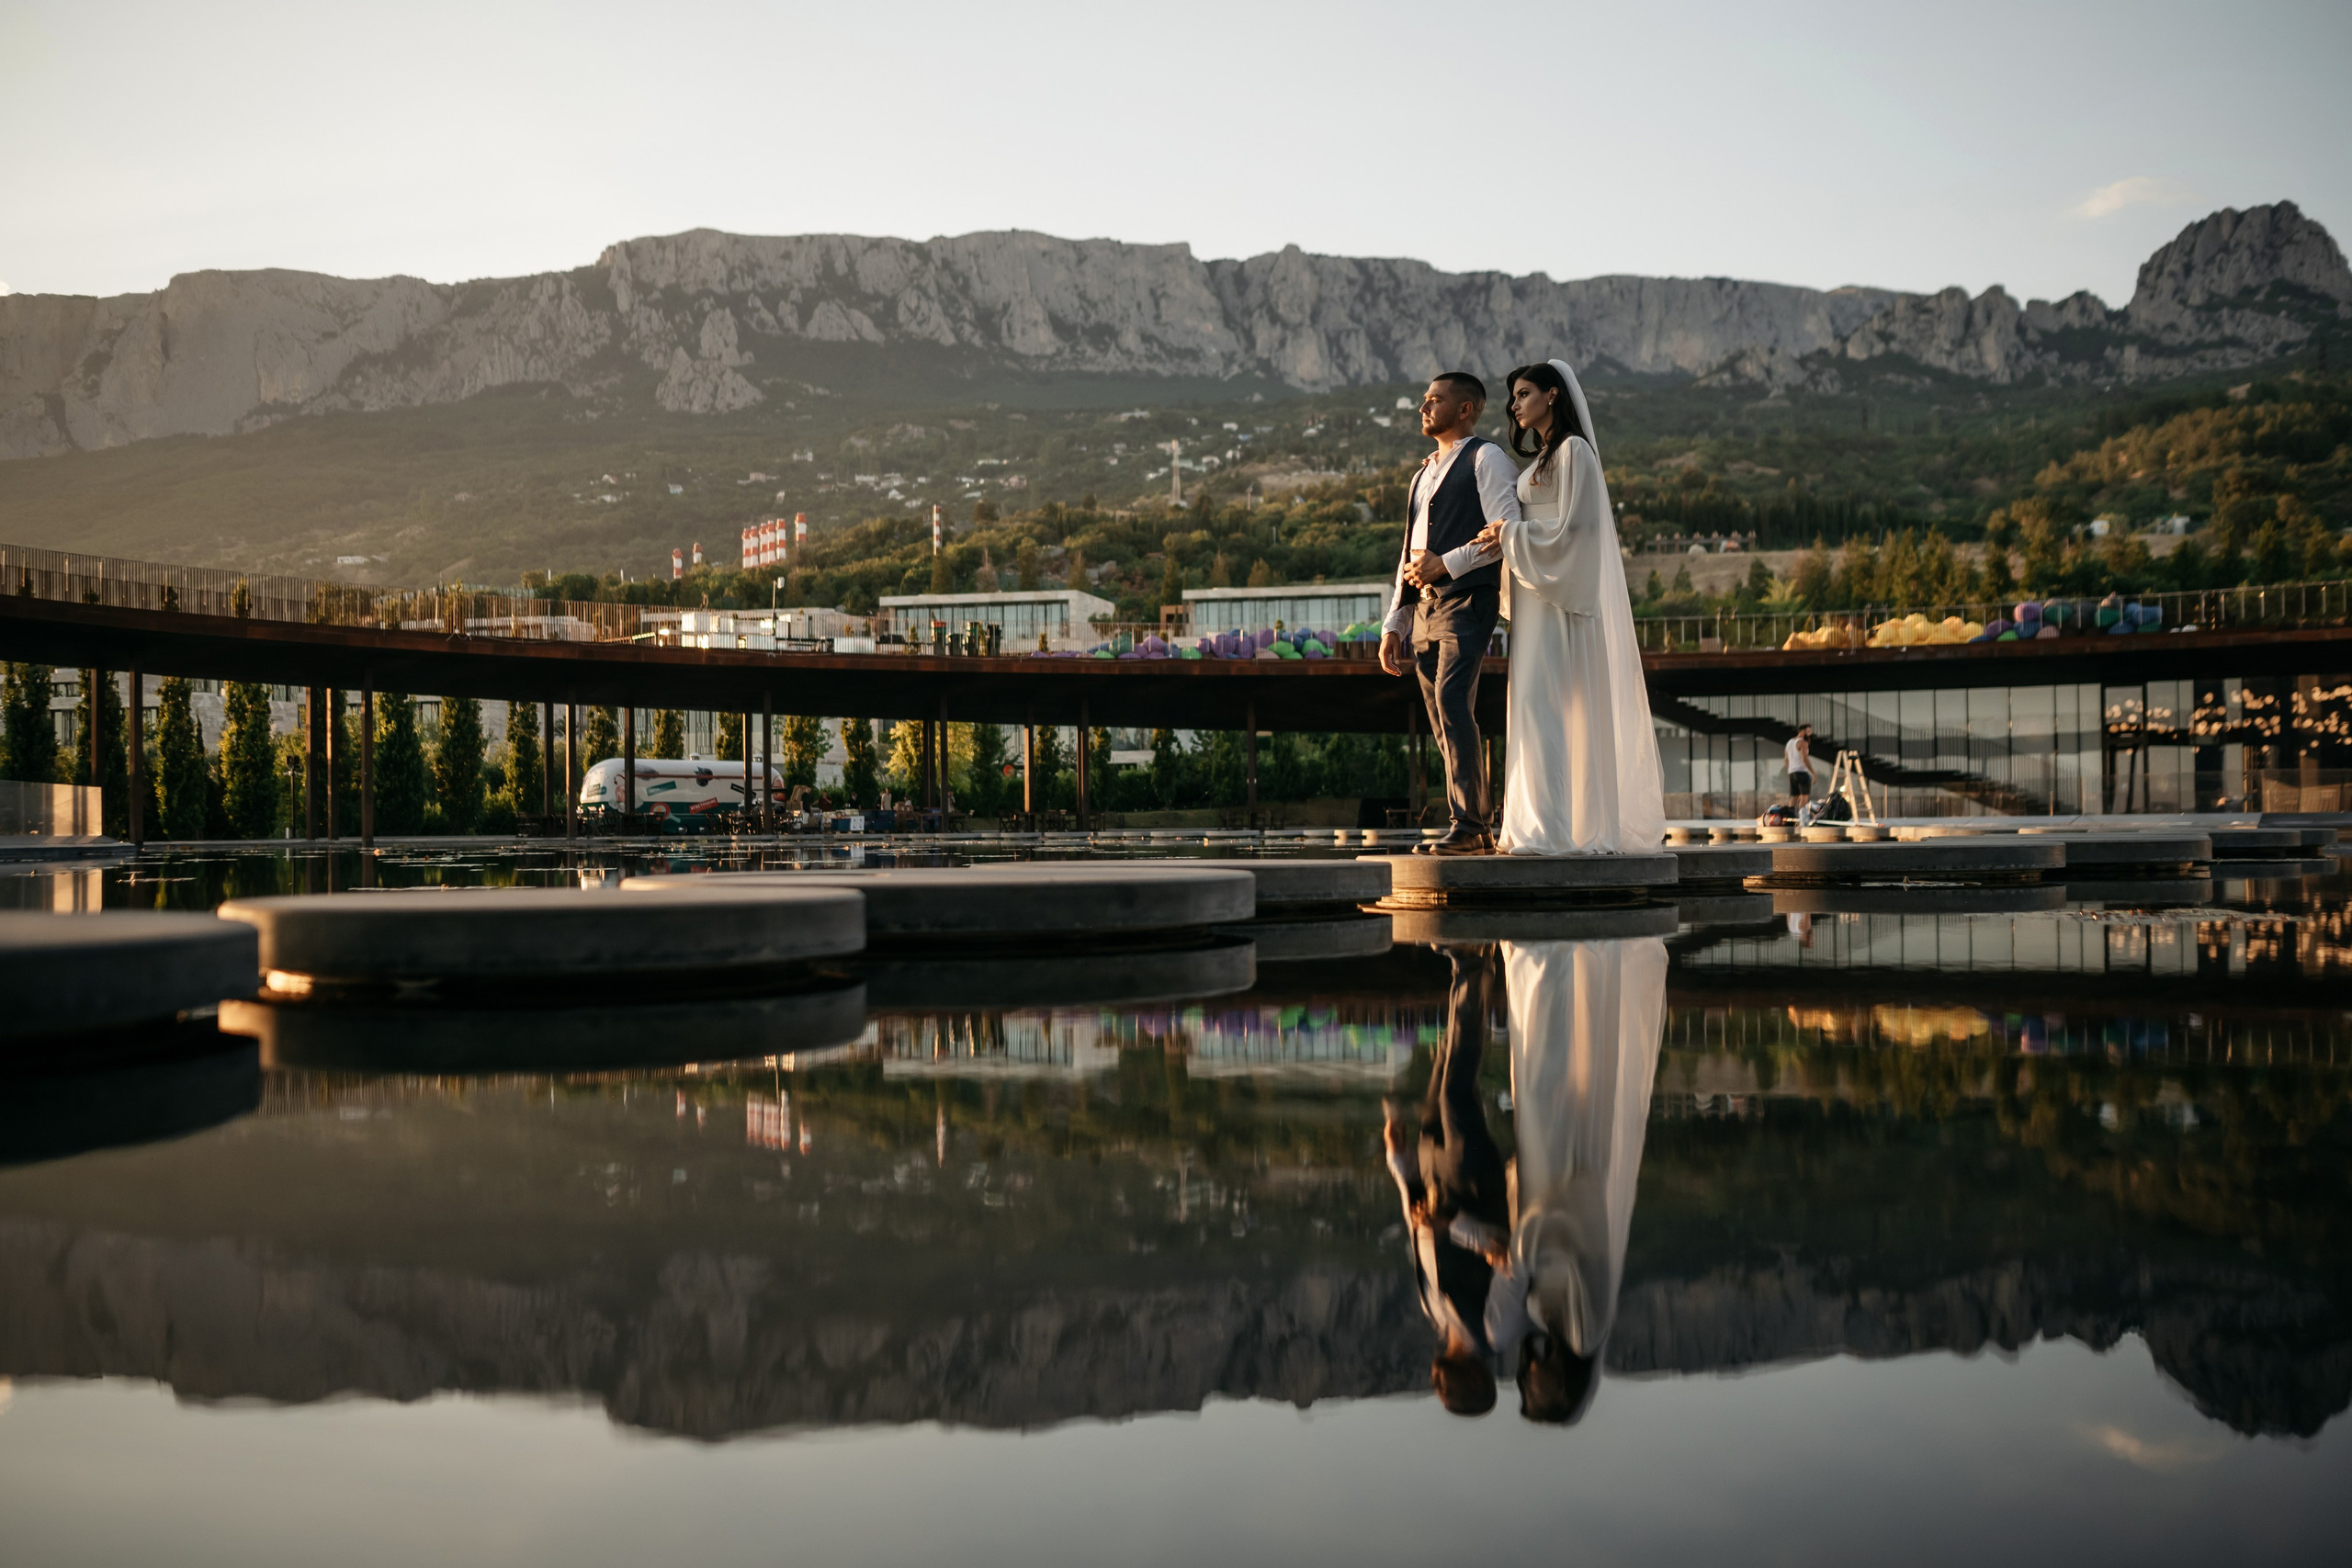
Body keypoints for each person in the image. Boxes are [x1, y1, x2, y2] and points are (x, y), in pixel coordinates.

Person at [1470, 360, 1666, 854]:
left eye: (1523, 393)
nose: (1514, 405)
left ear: (1553, 395)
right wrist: (1502, 537)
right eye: (1513, 397)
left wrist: (1511, 533)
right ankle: (1538, 824)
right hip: (1536, 595)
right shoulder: (1540, 461)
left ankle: (1562, 829)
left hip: (1562, 597)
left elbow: (1578, 530)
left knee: (1556, 708)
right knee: (1533, 707)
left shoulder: (1575, 451)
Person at [1486, 930, 1669, 1424]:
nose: (1526, 1384)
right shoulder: (1586, 1330)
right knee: (1550, 1066)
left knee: (1544, 1069)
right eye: (1534, 1396)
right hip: (1565, 1175)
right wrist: (1519, 1258)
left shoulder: (1553, 1326)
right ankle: (1558, 962)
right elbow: (1572, 1246)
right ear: (1562, 1391)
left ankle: (1556, 965)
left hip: (1547, 1186)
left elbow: (1531, 1267)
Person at [1380, 373, 1521, 855]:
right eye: (1424, 399)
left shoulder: (1487, 458)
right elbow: (1408, 552)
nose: (1424, 406)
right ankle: (1475, 825)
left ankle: (1468, 824)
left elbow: (1505, 532)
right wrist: (1394, 622)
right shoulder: (1422, 474)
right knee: (1440, 716)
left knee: (1453, 699)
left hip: (1467, 599)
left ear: (1465, 409)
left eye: (1435, 400)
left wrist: (1448, 562)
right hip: (1423, 609)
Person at [1383, 945, 1511, 1416]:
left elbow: (1418, 1233)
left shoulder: (1435, 1314)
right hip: (1471, 1185)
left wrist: (1401, 1168)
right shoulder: (1495, 1329)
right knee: (1457, 1088)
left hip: (1434, 1179)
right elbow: (1506, 1255)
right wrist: (1454, 1224)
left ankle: (1480, 963)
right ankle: (1471, 966)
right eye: (1447, 1393)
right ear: (1470, 1383)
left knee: (1442, 1074)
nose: (1436, 1387)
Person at [1785, 723, 1814, 807]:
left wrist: (1789, 770)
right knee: (1804, 798)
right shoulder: (1803, 743)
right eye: (1808, 731)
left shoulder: (1789, 742)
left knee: (1794, 797)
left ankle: (1790, 815)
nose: (1810, 734)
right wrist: (1813, 773)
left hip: (1792, 773)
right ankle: (1803, 817)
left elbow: (1786, 759)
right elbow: (1805, 759)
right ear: (1802, 731)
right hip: (1801, 772)